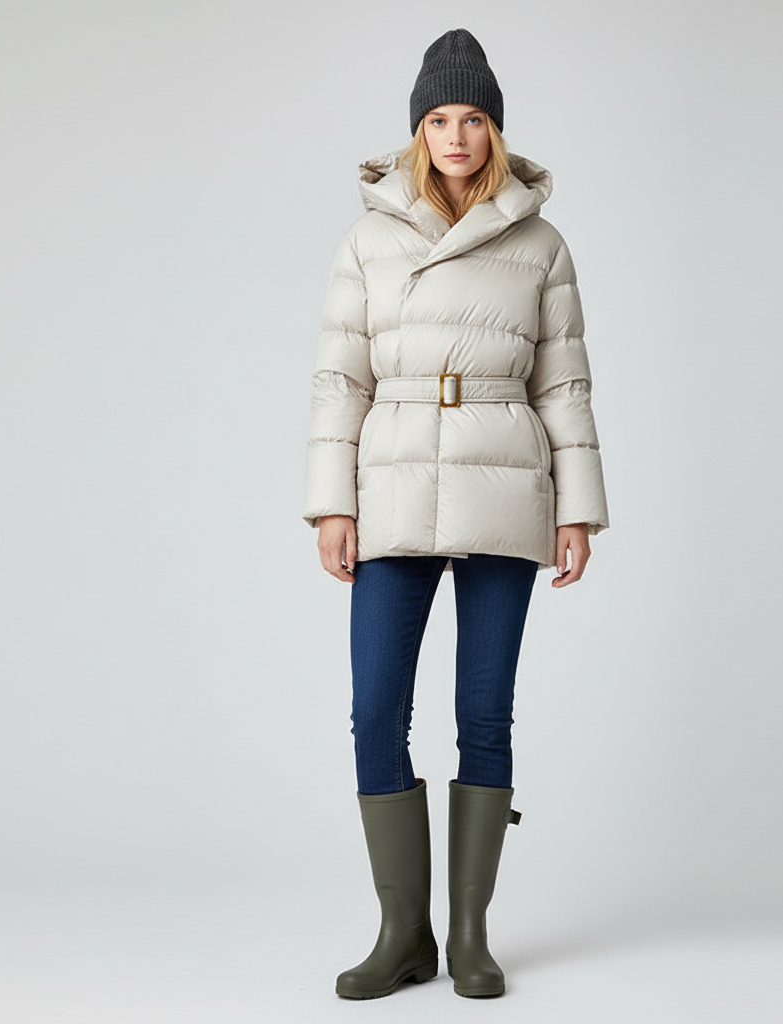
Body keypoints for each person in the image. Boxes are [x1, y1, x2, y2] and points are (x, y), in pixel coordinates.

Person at [303, 28, 609, 1000]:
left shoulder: (540, 242)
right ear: (417, 130)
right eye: (439, 118)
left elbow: (564, 385)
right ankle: (403, 934)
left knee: (483, 710)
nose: (456, 136)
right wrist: (330, 503)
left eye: (473, 118)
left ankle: (470, 936)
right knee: (375, 711)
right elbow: (339, 379)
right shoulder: (367, 238)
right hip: (391, 479)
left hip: (504, 478)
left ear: (496, 129)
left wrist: (576, 511)